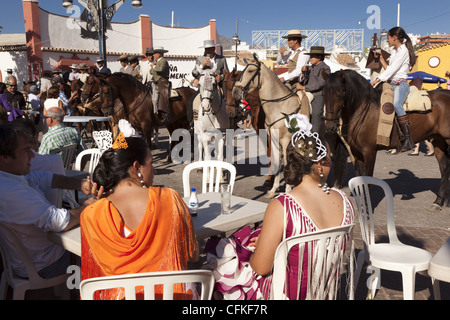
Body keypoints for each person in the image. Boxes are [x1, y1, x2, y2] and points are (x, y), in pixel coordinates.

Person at [204, 114, 355, 300]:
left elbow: (261, 267)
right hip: (323, 292)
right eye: (328, 157)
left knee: (224, 267)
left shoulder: (283, 205)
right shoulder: (345, 202)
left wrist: (266, 249)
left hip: (284, 293)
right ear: (320, 165)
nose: (330, 160)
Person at [80, 133, 199, 300]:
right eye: (151, 163)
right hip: (172, 294)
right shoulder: (170, 198)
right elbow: (192, 255)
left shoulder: (91, 214)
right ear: (136, 167)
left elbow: (96, 275)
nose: (155, 170)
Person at [0, 123, 95, 279]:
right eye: (26, 151)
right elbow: (59, 222)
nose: (32, 155)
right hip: (45, 264)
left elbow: (45, 178)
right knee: (100, 253)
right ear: (4, 158)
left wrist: (81, 185)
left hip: (32, 259)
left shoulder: (11, 178)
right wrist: (87, 206)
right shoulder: (11, 191)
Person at [371, 27, 417, 153]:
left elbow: (392, 70)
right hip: (391, 84)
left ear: (394, 38)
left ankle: (408, 139)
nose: (387, 41)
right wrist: (381, 60)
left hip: (401, 84)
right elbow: (390, 69)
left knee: (396, 104)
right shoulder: (395, 51)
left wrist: (377, 80)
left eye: (388, 38)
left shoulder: (403, 51)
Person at [188, 39, 229, 126]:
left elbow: (227, 73)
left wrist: (221, 77)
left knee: (230, 101)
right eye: (206, 49)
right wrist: (202, 65)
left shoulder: (222, 59)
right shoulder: (200, 59)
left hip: (218, 86)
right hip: (204, 87)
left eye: (209, 49)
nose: (207, 51)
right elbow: (194, 73)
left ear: (214, 48)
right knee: (191, 101)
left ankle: (232, 122)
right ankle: (192, 124)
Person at [296, 46, 331, 135]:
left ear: (319, 57)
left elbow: (320, 84)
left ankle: (315, 135)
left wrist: (304, 88)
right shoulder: (310, 68)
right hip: (307, 93)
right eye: (310, 56)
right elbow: (303, 81)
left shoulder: (325, 68)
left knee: (316, 114)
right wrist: (303, 73)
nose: (310, 58)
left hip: (318, 94)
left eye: (312, 56)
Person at [148, 46, 171, 125]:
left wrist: (154, 66)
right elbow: (151, 72)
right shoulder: (157, 62)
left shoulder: (163, 61)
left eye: (155, 53)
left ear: (160, 54)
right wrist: (154, 67)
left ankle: (165, 114)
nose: (153, 55)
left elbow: (160, 70)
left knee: (162, 94)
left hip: (163, 81)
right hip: (155, 81)